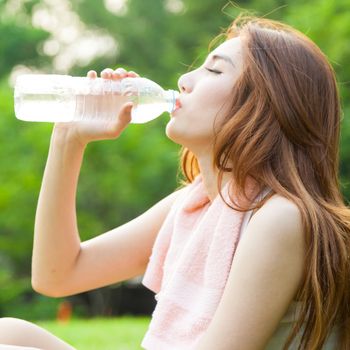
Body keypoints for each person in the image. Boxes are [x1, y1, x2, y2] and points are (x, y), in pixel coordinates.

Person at [0, 14, 349, 350]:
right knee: (9, 330)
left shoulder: (279, 218)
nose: (185, 79)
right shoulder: (196, 207)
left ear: (263, 105)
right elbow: (56, 275)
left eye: (214, 69)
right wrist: (68, 138)